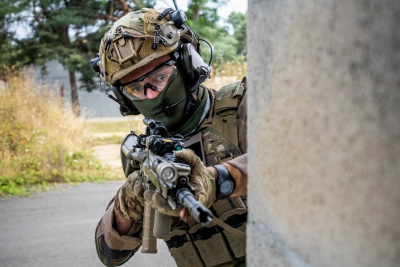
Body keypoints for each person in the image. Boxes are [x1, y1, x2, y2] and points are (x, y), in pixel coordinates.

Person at [91, 8, 248, 267]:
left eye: (160, 78)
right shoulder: (143, 153)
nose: (150, 95)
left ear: (189, 63)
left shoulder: (243, 107)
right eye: (135, 89)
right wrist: (127, 203)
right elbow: (109, 255)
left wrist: (218, 181)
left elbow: (296, 163)